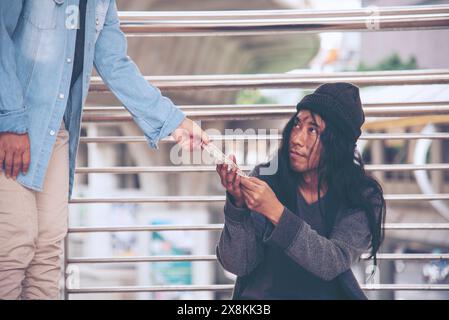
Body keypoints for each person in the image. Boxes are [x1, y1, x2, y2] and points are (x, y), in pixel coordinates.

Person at [0, 0, 208, 299]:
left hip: (55, 131)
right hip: (11, 127)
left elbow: (114, 62)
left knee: (46, 257)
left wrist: (175, 121)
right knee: (12, 250)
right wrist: (9, 120)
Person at [216, 83, 386, 300]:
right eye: (297, 125)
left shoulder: (362, 197)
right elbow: (237, 264)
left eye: (312, 130)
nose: (296, 139)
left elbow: (330, 261)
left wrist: (276, 211)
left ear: (338, 143)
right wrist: (237, 208)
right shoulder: (268, 179)